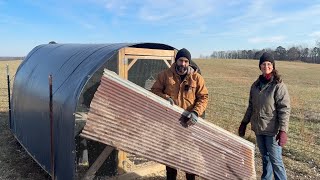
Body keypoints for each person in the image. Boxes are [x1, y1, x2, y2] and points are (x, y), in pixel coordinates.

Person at [151, 48, 208, 180]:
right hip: (170, 123)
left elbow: (203, 97)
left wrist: (195, 112)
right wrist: (165, 98)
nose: (183, 64)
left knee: (190, 158)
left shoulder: (197, 78)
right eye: (181, 60)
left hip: (189, 124)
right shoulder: (165, 75)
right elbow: (154, 91)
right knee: (171, 157)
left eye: (186, 61)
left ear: (189, 63)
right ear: (176, 61)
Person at [238, 52, 291, 180]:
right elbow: (251, 106)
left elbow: (284, 109)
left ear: (272, 66)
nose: (266, 66)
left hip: (272, 131)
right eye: (263, 64)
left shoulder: (278, 86)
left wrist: (283, 130)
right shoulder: (255, 86)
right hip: (259, 129)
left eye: (269, 64)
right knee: (265, 159)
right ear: (260, 66)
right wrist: (244, 122)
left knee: (276, 162)